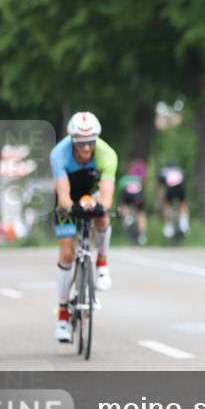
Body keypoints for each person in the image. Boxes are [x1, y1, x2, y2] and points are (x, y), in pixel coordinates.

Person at [49, 111, 117, 342]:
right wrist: (73, 207)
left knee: (103, 216)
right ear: (72, 141)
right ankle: (62, 315)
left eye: (90, 143)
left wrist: (99, 207)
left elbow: (106, 198)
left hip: (94, 192)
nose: (86, 149)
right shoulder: (59, 154)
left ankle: (102, 264)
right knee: (67, 252)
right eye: (81, 144)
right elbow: (64, 196)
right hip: (69, 196)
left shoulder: (107, 154)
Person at [116, 160, 148, 245]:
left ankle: (127, 217)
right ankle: (142, 235)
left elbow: (119, 191)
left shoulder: (124, 179)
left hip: (126, 193)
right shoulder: (139, 179)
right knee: (141, 213)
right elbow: (142, 188)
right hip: (138, 194)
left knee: (124, 204)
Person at [156, 161, 189, 239]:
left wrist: (159, 200)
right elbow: (184, 182)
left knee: (167, 206)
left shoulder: (163, 171)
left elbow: (161, 188)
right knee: (183, 203)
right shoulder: (180, 170)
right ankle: (184, 223)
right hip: (180, 188)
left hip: (170, 189)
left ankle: (169, 226)